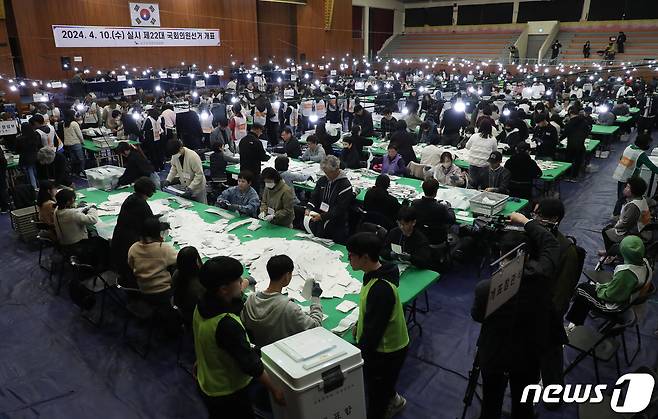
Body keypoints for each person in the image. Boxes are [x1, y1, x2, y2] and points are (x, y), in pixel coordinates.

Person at [471, 212, 562, 419]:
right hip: (528, 355)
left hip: (494, 353)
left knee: (491, 403)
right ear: (527, 257)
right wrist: (526, 221)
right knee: (523, 405)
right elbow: (551, 244)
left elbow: (477, 316)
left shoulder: (486, 289)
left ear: (501, 256)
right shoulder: (542, 277)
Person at [193, 256, 285, 419]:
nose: (241, 281)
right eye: (237, 280)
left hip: (206, 380)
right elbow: (251, 365)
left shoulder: (202, 305)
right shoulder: (226, 324)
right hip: (227, 391)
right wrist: (275, 390)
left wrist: (243, 285)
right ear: (223, 289)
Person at [347, 232, 409, 419]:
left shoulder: (380, 289)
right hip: (387, 344)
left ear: (365, 257)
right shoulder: (378, 272)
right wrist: (360, 324)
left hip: (388, 350)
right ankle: (394, 399)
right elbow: (372, 315)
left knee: (376, 397)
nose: (348, 258)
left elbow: (374, 334)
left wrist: (358, 357)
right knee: (383, 385)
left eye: (351, 255)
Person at [533, 199, 583, 391]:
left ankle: (553, 392)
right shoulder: (534, 239)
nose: (535, 219)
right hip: (530, 306)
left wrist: (549, 318)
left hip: (548, 314)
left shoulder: (567, 252)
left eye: (539, 215)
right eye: (534, 214)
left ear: (554, 219)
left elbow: (562, 294)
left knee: (550, 354)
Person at [567, 235, 651, 327]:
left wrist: (599, 288)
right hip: (626, 297)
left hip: (613, 306)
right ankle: (579, 316)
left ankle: (573, 325)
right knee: (586, 291)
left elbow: (610, 295)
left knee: (581, 290)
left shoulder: (626, 273)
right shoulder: (645, 262)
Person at [241, 255, 324, 347]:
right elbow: (315, 327)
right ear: (287, 276)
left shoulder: (250, 299)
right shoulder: (289, 308)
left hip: (259, 350)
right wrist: (315, 300)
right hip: (280, 352)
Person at [111, 177, 157, 286]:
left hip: (118, 242)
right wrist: (163, 225)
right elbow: (150, 225)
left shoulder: (130, 198)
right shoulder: (142, 204)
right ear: (148, 192)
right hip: (130, 250)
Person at [127, 216, 178, 306]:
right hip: (164, 291)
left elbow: (131, 265)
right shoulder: (163, 248)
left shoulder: (134, 248)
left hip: (143, 289)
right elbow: (179, 260)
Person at [52, 188, 109, 268]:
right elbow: (92, 219)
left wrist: (80, 208)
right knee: (102, 242)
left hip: (63, 242)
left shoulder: (57, 210)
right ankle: (101, 265)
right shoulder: (72, 213)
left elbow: (72, 214)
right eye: (73, 200)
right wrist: (93, 209)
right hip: (76, 244)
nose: (74, 201)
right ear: (68, 202)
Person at [306, 155, 354, 244]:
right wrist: (309, 208)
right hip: (320, 219)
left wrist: (323, 216)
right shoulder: (322, 180)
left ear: (336, 170)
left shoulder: (345, 185)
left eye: (328, 172)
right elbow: (315, 196)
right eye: (325, 172)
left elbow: (340, 208)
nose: (326, 175)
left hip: (336, 224)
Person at [612, 134, 658, 216]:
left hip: (620, 175)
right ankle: (617, 215)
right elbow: (652, 167)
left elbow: (621, 158)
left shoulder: (629, 147)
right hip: (629, 179)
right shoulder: (641, 154)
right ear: (644, 144)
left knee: (621, 197)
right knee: (623, 198)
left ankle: (618, 214)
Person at [602, 177, 650, 252]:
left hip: (635, 233)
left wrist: (616, 226)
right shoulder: (642, 199)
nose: (625, 188)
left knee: (606, 231)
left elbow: (625, 224)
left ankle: (610, 254)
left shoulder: (633, 206)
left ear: (634, 191)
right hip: (643, 229)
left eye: (628, 187)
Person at [411, 178, 456, 245]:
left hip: (420, 236)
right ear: (436, 191)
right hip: (437, 239)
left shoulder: (415, 203)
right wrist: (449, 207)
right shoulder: (441, 208)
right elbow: (452, 220)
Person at [172, 246, 205, 325]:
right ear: (197, 261)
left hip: (184, 312)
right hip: (198, 317)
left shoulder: (177, 274)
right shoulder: (201, 283)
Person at [465, 120, 498, 190]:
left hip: (473, 164)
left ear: (480, 127)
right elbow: (495, 152)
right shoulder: (493, 139)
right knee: (484, 187)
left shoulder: (474, 136)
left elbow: (467, 146)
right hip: (485, 166)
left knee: (472, 187)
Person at [560, 105, 591, 179]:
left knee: (568, 161)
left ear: (570, 113)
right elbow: (587, 132)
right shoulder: (584, 122)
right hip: (580, 145)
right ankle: (574, 176)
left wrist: (559, 140)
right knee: (578, 162)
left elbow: (565, 134)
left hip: (571, 145)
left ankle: (567, 175)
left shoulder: (569, 123)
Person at [239, 123, 269, 191]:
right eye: (261, 131)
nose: (261, 133)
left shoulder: (242, 140)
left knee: (243, 189)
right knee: (253, 190)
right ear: (257, 130)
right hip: (254, 172)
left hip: (243, 169)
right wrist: (269, 157)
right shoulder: (257, 142)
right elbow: (263, 157)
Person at [63, 109, 86, 176]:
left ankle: (74, 171)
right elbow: (79, 134)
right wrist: (82, 142)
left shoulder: (65, 123)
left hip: (68, 144)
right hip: (75, 143)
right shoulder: (74, 123)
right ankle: (82, 171)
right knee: (81, 158)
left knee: (73, 159)